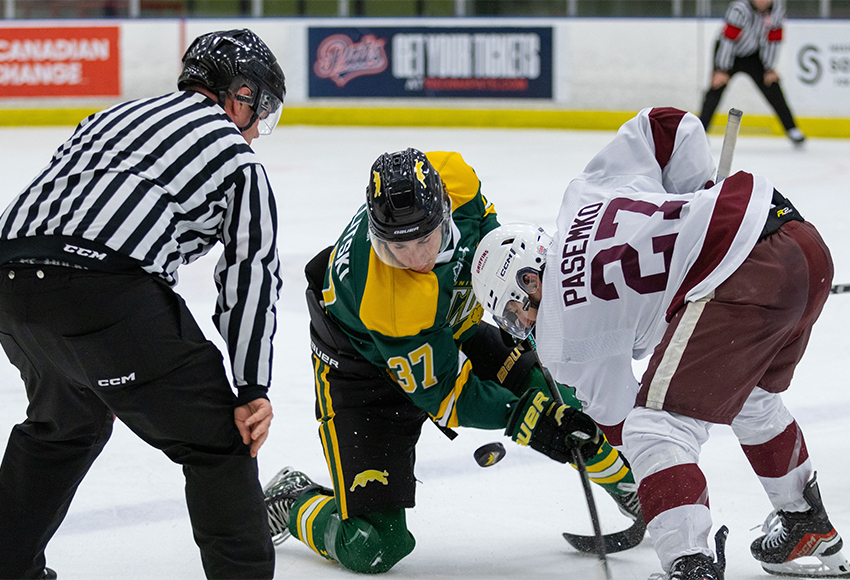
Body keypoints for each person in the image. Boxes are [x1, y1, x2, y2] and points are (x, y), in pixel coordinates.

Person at [471, 107, 849, 579]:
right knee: (749, 397)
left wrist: (635, 466)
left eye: (513, 309)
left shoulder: (556, 336)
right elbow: (666, 125)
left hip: (740, 279)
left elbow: (623, 421)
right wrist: (699, 196)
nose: (521, 325)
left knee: (656, 430)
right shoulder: (583, 195)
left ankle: (689, 565)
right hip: (795, 236)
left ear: (529, 277)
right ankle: (804, 520)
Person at [262, 148, 642, 574]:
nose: (416, 258)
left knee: (558, 401)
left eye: (425, 239)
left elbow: (492, 246)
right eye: (397, 247)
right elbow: (448, 397)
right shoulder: (389, 300)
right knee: (376, 546)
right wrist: (524, 418)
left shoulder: (454, 179)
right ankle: (291, 500)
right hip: (361, 372)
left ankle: (632, 487)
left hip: (446, 326)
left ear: (442, 208)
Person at [0, 29, 285, 580]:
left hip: (9, 280)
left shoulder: (112, 116)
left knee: (64, 425)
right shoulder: (235, 157)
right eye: (260, 112)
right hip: (101, 290)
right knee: (218, 444)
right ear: (239, 95)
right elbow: (250, 276)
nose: (256, 133)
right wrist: (252, 390)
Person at [699, 0, 806, 146]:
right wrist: (721, 69)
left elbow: (773, 40)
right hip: (729, 53)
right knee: (716, 88)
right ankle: (700, 132)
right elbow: (727, 40)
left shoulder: (777, 9)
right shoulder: (739, 9)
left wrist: (768, 68)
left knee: (772, 86)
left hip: (753, 55)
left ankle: (792, 129)